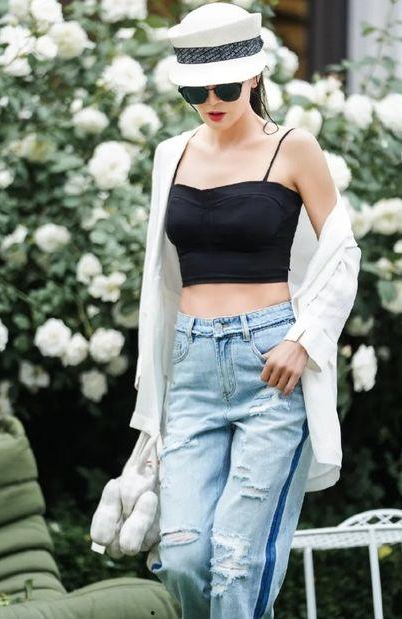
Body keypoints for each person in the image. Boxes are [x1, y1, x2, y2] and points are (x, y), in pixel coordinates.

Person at [130, 3, 361, 618]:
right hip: (192, 365)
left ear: (254, 76)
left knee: (236, 561)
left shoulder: (294, 148)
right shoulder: (171, 155)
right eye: (195, 91)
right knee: (184, 554)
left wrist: (304, 338)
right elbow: (162, 276)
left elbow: (342, 252)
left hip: (270, 363)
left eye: (225, 87)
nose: (211, 100)